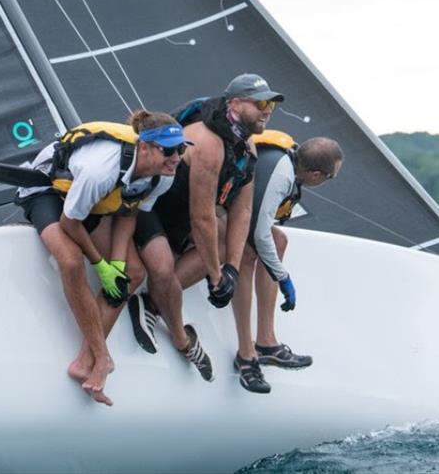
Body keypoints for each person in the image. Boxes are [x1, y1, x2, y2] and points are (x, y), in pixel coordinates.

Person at [16, 110, 189, 405]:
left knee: (132, 274)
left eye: (182, 150)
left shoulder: (161, 176)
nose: (176, 158)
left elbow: (129, 210)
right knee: (70, 261)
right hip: (47, 190)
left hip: (90, 203)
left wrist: (118, 265)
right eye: (169, 151)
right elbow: (71, 222)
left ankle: (85, 362)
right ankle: (102, 357)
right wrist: (99, 264)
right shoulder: (102, 169)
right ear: (144, 147)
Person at [129, 74, 284, 381]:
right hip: (152, 211)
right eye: (261, 103)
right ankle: (163, 315)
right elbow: (202, 218)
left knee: (229, 246)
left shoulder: (246, 148)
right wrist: (216, 277)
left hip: (183, 221)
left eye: (271, 106)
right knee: (172, 265)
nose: (267, 111)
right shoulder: (207, 142)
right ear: (236, 104)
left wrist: (232, 270)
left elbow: (243, 211)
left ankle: (154, 304)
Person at [232, 132, 343, 393]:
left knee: (279, 241)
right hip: (208, 212)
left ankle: (267, 343)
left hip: (238, 214)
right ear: (315, 174)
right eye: (330, 177)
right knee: (246, 257)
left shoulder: (291, 162)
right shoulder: (281, 177)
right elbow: (257, 235)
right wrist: (283, 277)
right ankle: (246, 356)